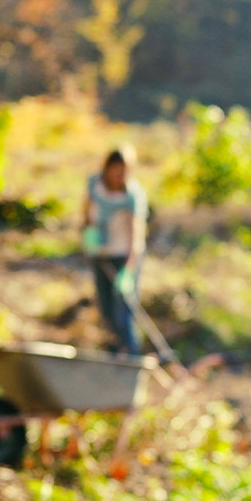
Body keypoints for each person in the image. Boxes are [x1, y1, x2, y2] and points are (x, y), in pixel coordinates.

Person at [81, 145, 147, 355]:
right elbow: (86, 213)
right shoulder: (95, 184)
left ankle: (132, 356)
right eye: (117, 171)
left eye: (124, 173)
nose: (120, 177)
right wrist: (88, 235)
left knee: (124, 311)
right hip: (101, 254)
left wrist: (128, 271)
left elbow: (136, 236)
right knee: (107, 309)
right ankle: (114, 353)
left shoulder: (132, 195)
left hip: (124, 256)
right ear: (108, 168)